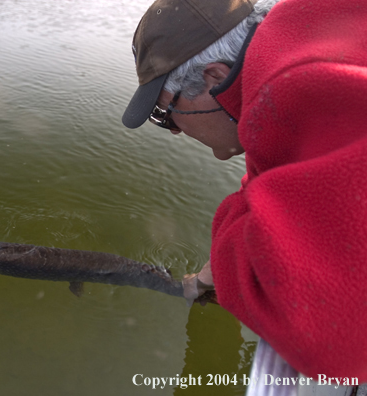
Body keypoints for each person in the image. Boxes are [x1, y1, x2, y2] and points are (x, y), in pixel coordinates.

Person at [122, 0, 367, 382]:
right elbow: (267, 178)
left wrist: (233, 253)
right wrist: (210, 275)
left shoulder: (296, 91)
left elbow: (329, 342)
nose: (172, 129)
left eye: (165, 113)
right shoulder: (303, 32)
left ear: (214, 78)